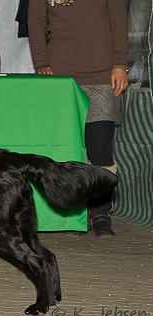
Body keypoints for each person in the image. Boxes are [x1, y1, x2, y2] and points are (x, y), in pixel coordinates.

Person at [28, 0, 129, 237]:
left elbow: (119, 18)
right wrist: (41, 62)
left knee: (101, 149)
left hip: (102, 73)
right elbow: (36, 21)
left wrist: (120, 63)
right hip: (60, 76)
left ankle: (101, 212)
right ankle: (76, 213)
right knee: (69, 148)